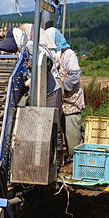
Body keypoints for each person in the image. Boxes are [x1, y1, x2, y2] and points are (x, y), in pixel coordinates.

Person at [45, 25, 84, 155]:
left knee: (72, 135)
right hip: (59, 103)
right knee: (59, 132)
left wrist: (62, 85)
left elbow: (75, 75)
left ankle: (75, 160)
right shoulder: (50, 57)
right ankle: (64, 159)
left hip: (71, 102)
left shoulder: (68, 54)